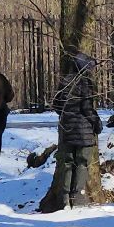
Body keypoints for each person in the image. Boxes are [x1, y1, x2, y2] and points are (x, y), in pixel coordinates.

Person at [47, 51, 102, 210]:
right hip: (83, 130)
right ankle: (78, 197)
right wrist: (96, 122)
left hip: (67, 129)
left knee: (67, 163)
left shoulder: (65, 81)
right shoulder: (85, 82)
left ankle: (65, 198)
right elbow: (87, 108)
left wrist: (67, 116)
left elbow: (57, 104)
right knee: (82, 163)